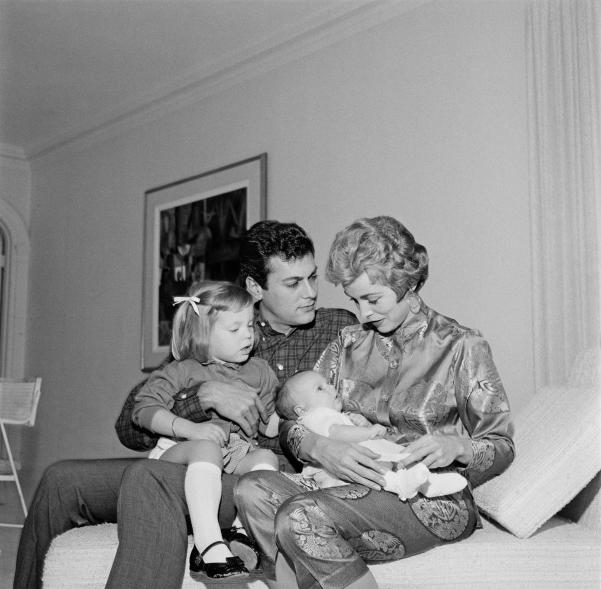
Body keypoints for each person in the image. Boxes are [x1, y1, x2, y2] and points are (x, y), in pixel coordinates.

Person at [14, 220, 356, 589]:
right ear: (255, 288)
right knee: (60, 479)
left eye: (312, 277)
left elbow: (345, 417)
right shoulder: (215, 327)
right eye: (293, 283)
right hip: (191, 459)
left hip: (252, 477)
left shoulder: (339, 329)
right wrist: (201, 398)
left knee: (150, 477)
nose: (310, 293)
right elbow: (130, 427)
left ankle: (214, 546)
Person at [234, 216, 515, 589]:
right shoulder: (347, 343)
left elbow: (502, 445)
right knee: (251, 489)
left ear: (408, 283)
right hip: (344, 489)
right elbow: (292, 420)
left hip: (428, 495)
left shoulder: (461, 346)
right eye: (355, 300)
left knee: (299, 515)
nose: (363, 314)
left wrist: (457, 446)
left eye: (372, 299)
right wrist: (321, 447)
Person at [134, 281, 281, 579]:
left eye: (250, 325)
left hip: (234, 454)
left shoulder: (260, 371)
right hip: (179, 453)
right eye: (234, 329)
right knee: (208, 447)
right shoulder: (183, 369)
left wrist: (311, 415)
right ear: (203, 333)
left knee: (266, 457)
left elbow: (270, 425)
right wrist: (190, 429)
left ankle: (242, 533)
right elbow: (143, 410)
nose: (247, 335)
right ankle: (207, 543)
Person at [276, 370, 467, 500]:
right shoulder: (315, 416)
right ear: (301, 410)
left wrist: (360, 423)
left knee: (390, 461)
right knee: (379, 469)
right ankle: (404, 484)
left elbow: (342, 427)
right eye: (320, 388)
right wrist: (368, 431)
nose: (330, 388)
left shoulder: (332, 414)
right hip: (339, 473)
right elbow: (336, 433)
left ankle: (426, 484)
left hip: (353, 464)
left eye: (327, 383)